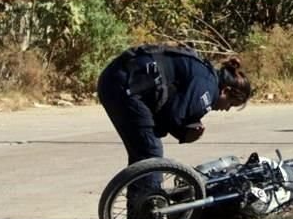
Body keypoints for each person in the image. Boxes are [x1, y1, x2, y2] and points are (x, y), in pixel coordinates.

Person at [97, 44, 252, 175]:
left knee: (143, 154)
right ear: (225, 91)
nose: (226, 109)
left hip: (117, 78)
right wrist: (186, 134)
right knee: (151, 153)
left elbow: (170, 111)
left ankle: (138, 205)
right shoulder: (208, 88)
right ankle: (148, 207)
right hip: (124, 85)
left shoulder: (206, 75)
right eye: (230, 104)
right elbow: (174, 117)